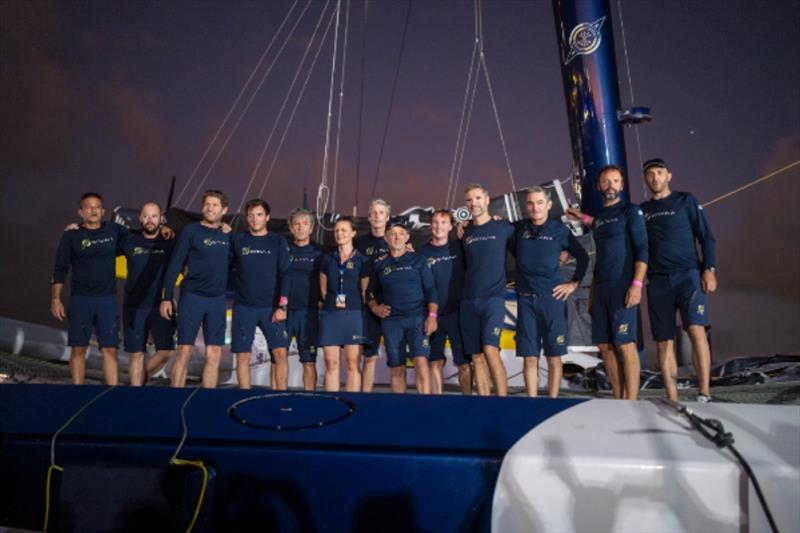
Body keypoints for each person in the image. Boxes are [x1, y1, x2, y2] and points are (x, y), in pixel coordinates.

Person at [567, 166, 648, 400]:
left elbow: (643, 248)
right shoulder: (601, 218)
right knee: (605, 346)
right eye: (606, 181)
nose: (611, 185)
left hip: (623, 286)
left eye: (615, 181)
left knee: (624, 344)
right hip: (600, 288)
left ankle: (631, 401)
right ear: (599, 186)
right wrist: (577, 215)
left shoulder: (631, 211)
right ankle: (618, 396)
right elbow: (597, 223)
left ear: (622, 185)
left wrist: (637, 284)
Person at [640, 158, 716, 402]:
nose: (655, 178)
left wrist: (709, 269)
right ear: (646, 179)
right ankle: (672, 398)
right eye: (650, 174)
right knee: (664, 342)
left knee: (696, 330)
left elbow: (706, 237)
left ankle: (704, 391)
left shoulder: (686, 200)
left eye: (659, 173)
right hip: (658, 282)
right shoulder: (642, 210)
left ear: (669, 176)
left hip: (688, 276)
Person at [513, 187, 589, 398]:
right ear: (525, 206)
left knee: (554, 357)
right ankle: (532, 401)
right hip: (526, 300)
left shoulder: (559, 230)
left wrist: (573, 283)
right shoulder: (518, 229)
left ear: (548, 205)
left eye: (539, 202)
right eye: (530, 203)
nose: (535, 207)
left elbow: (583, 257)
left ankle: (552, 401)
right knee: (530, 357)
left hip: (552, 299)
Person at [51, 192, 127, 384]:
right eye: (88, 207)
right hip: (80, 300)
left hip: (107, 300)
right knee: (78, 350)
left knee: (110, 349)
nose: (93, 210)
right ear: (81, 212)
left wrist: (164, 228)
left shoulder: (115, 230)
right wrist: (55, 298)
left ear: (103, 211)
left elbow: (143, 235)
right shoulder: (71, 235)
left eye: (97, 207)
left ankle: (112, 394)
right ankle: (78, 395)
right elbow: (60, 268)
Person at [161, 190, 231, 388]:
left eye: (215, 205)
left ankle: (207, 399)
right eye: (207, 204)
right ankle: (176, 397)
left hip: (217, 301)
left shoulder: (228, 235)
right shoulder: (191, 231)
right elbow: (175, 265)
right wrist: (166, 297)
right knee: (184, 350)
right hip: (192, 298)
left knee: (214, 353)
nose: (210, 208)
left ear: (224, 209)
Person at [368, 221, 438, 394]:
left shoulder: (419, 260)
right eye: (393, 233)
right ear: (386, 238)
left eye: (401, 233)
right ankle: (401, 410)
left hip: (417, 319)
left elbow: (431, 290)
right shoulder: (379, 264)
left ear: (407, 237)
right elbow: (370, 292)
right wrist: (375, 307)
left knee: (421, 363)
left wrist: (432, 316)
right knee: (397, 368)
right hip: (392, 322)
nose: (397, 237)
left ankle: (425, 409)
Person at [229, 199, 291, 390]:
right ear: (246, 218)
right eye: (250, 215)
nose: (255, 219)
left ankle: (281, 397)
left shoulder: (278, 241)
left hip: (271, 308)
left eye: (259, 214)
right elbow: (223, 266)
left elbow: (285, 274)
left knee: (280, 354)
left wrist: (282, 306)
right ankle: (243, 398)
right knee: (242, 356)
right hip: (243, 307)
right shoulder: (237, 240)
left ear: (267, 217)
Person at [460, 183, 515, 396]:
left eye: (478, 198)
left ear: (487, 199)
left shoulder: (504, 228)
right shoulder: (464, 232)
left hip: (493, 299)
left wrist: (560, 254)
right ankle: (484, 404)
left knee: (491, 350)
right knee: (476, 357)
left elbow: (528, 245)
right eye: (469, 200)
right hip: (468, 300)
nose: (474, 203)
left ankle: (502, 402)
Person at [120, 202, 175, 386]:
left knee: (166, 351)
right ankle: (135, 395)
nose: (150, 220)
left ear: (161, 219)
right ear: (140, 218)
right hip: (134, 305)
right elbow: (102, 234)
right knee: (136, 354)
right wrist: (78, 228)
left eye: (154, 216)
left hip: (161, 305)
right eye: (146, 216)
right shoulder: (129, 239)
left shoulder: (169, 240)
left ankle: (138, 382)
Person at [419, 209, 471, 394]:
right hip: (433, 316)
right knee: (435, 362)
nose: (439, 226)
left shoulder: (460, 247)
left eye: (443, 222)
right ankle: (437, 405)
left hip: (457, 314)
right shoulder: (422, 253)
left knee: (464, 364)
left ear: (450, 226)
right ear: (430, 226)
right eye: (435, 222)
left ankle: (468, 404)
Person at [319, 217, 370, 392]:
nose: (339, 234)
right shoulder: (327, 259)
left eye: (344, 230)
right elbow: (324, 289)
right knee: (331, 363)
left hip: (354, 314)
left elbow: (365, 292)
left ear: (353, 233)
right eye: (337, 231)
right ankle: (332, 405)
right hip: (331, 314)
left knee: (352, 363)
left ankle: (353, 404)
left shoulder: (362, 260)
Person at [286, 208, 323, 391]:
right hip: (284, 312)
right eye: (297, 224)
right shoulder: (283, 250)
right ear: (291, 228)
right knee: (279, 358)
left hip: (309, 314)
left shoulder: (320, 253)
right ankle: (276, 397)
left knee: (308, 361)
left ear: (311, 228)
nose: (300, 227)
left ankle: (311, 399)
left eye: (305, 223)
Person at [357, 198, 392, 392]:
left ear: (387, 217)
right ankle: (365, 397)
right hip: (368, 306)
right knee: (368, 356)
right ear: (369, 217)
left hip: (393, 306)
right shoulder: (360, 242)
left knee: (397, 359)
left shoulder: (397, 238)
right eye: (374, 213)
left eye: (381, 212)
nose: (378, 216)